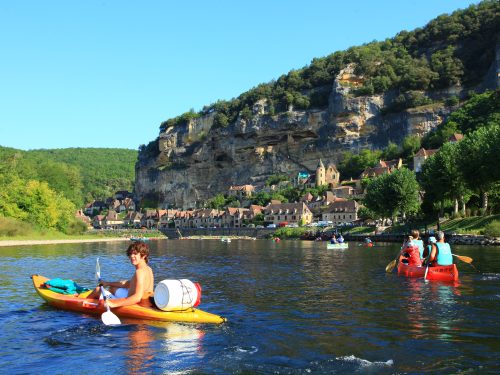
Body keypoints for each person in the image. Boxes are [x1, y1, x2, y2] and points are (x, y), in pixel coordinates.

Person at [87, 241, 155, 308]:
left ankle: (81, 301)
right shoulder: (148, 269)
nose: (132, 256)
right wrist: (107, 283)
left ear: (144, 256)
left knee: (98, 290)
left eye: (135, 254)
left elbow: (137, 298)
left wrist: (114, 304)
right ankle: (101, 297)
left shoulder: (139, 272)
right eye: (130, 254)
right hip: (146, 302)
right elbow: (129, 284)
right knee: (112, 288)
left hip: (136, 304)